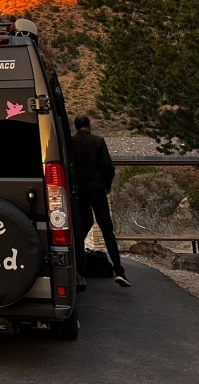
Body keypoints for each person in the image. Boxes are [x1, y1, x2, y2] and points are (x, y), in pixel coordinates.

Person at [72, 115, 131, 287]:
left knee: (83, 224)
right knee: (106, 227)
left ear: (76, 127)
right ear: (89, 126)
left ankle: (78, 269)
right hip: (97, 189)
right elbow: (108, 166)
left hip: (79, 191)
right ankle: (119, 271)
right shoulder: (98, 141)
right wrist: (107, 184)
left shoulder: (70, 143)